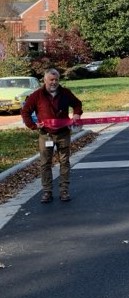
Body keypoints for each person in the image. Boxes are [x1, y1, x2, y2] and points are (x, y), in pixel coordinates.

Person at [21, 68, 83, 203]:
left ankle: (64, 191)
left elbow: (77, 104)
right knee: (45, 164)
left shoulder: (65, 93)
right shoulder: (37, 95)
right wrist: (32, 125)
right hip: (46, 135)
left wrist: (77, 113)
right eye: (51, 80)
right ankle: (47, 191)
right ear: (45, 80)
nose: (54, 82)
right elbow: (25, 111)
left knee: (64, 162)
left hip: (63, 133)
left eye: (56, 80)